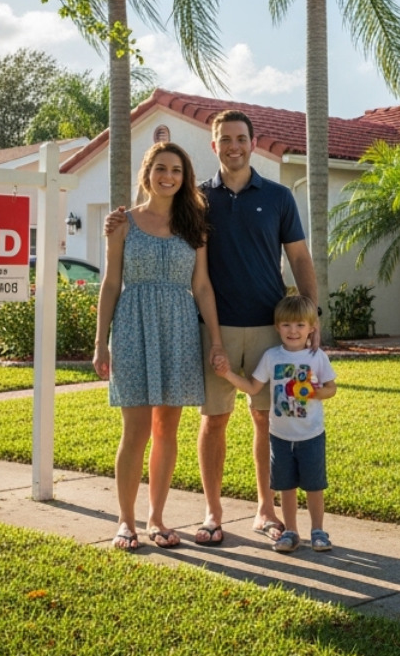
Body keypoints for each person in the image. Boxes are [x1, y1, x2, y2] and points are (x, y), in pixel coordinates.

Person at [104, 109, 317, 546]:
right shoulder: (196, 202)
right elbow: (136, 263)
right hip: (204, 330)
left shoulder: (277, 197)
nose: (234, 146)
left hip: (267, 327)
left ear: (252, 143)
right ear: (214, 145)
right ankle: (212, 514)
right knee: (212, 421)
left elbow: (298, 258)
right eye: (226, 139)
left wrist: (311, 317)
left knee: (266, 420)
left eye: (242, 138)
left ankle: (264, 509)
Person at [93, 142, 225, 551]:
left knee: (167, 429)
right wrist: (101, 344)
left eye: (177, 171)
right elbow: (111, 284)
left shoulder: (195, 225)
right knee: (134, 431)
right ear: (147, 172)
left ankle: (157, 519)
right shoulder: (122, 223)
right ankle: (125, 522)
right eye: (161, 168)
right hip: (132, 326)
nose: (169, 176)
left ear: (184, 179)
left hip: (180, 329)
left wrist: (216, 339)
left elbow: (202, 286)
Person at [214, 294, 336, 552]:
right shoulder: (272, 356)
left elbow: (331, 389)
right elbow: (252, 386)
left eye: (300, 325)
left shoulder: (317, 357)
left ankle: (318, 531)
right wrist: (228, 374)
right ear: (277, 327)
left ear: (312, 328)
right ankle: (291, 532)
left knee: (314, 486)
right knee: (285, 486)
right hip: (279, 436)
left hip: (311, 434)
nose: (293, 331)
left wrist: (313, 392)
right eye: (287, 325)